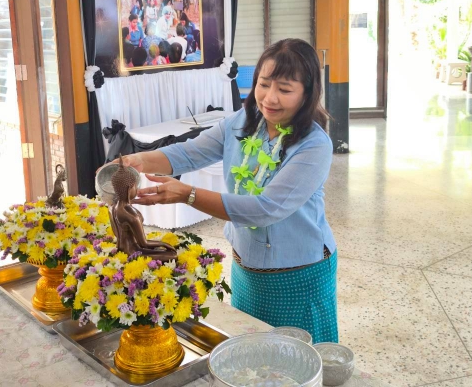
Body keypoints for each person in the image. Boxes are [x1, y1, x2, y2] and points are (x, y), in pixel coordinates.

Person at [105, 39, 338, 344]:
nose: (270, 98)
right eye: (263, 84)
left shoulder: (314, 145)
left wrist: (188, 194)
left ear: (307, 93)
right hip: (247, 268)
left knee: (296, 355)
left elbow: (265, 208)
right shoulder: (243, 122)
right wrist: (135, 161)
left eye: (285, 89)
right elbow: (188, 153)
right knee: (251, 351)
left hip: (297, 274)